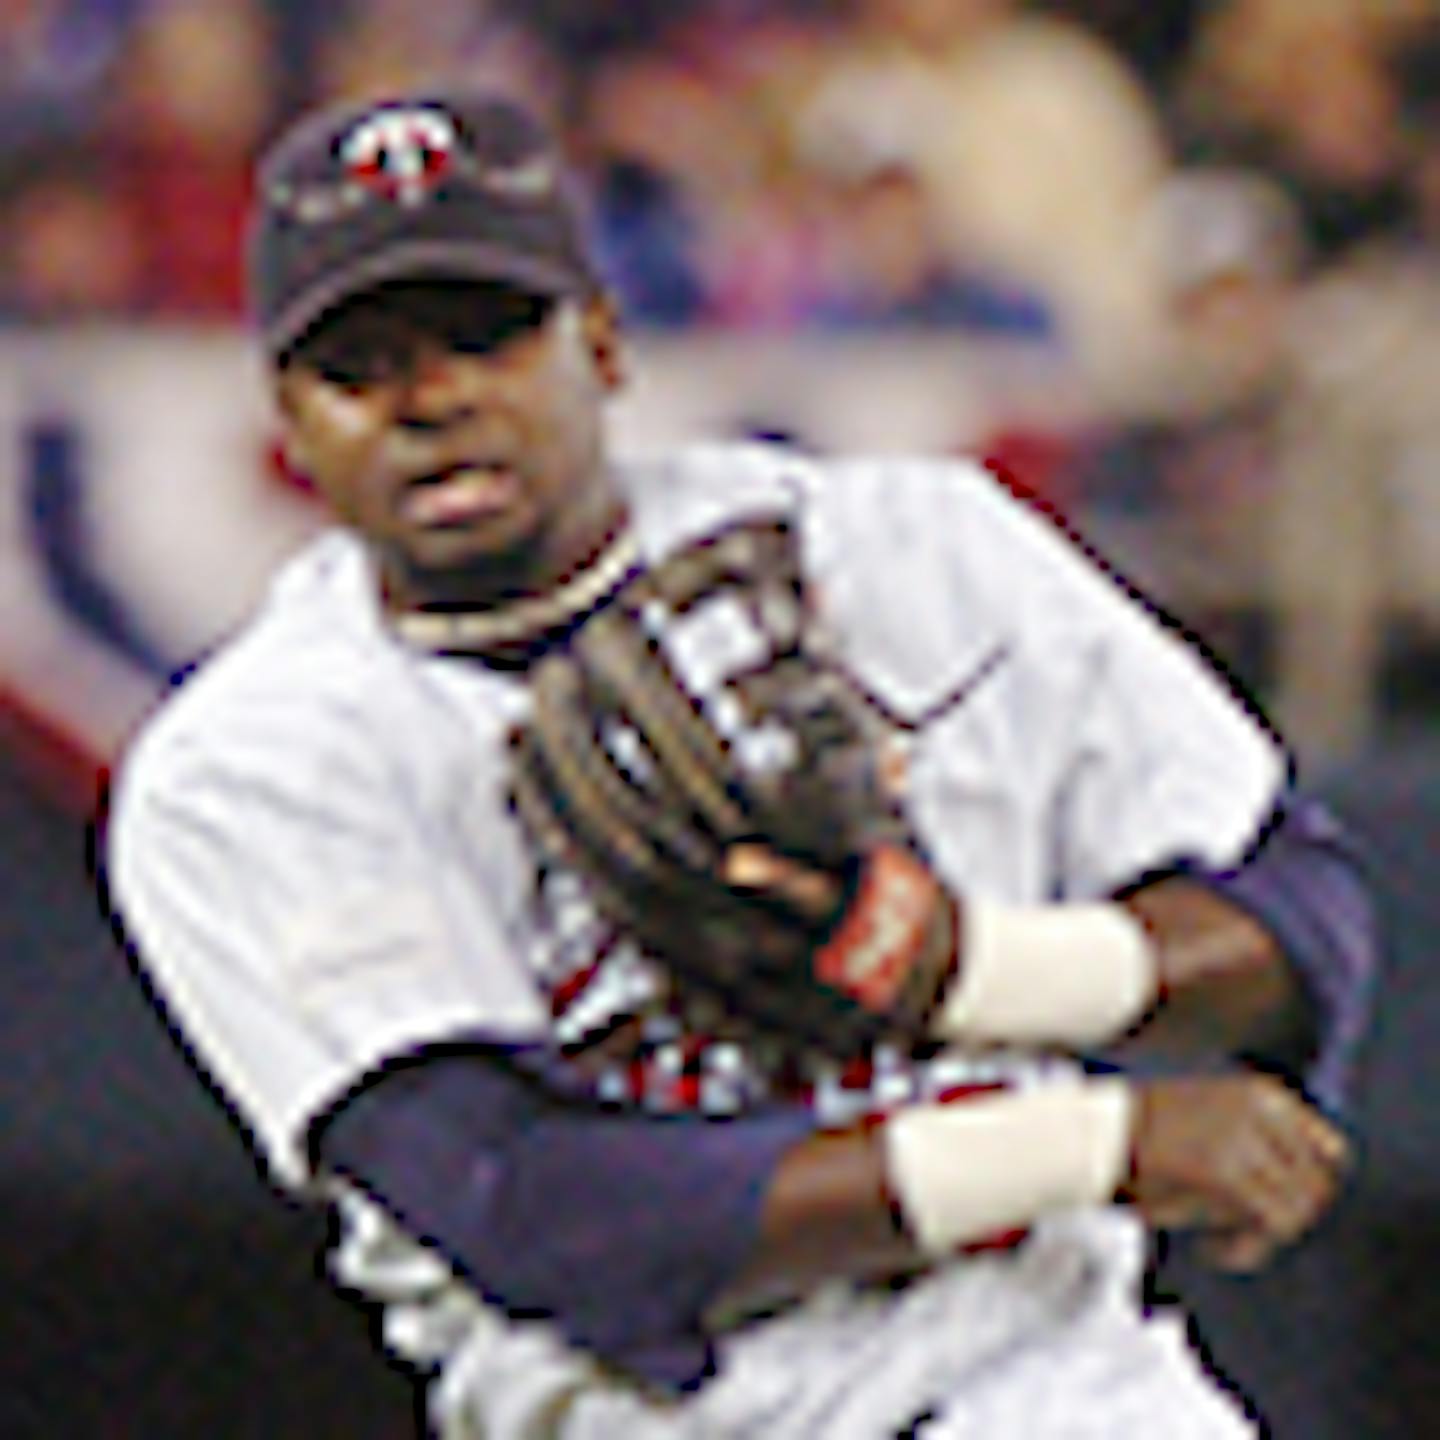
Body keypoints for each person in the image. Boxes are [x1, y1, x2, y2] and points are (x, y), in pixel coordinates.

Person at [104, 88, 1376, 1439]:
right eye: (361, 365)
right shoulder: (253, 766)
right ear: (289, 423)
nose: (431, 399)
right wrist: (1086, 1147)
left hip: (1050, 1386)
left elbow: (1302, 916)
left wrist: (969, 967)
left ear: (600, 341)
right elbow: (531, 1208)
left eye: (486, 335)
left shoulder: (901, 550)